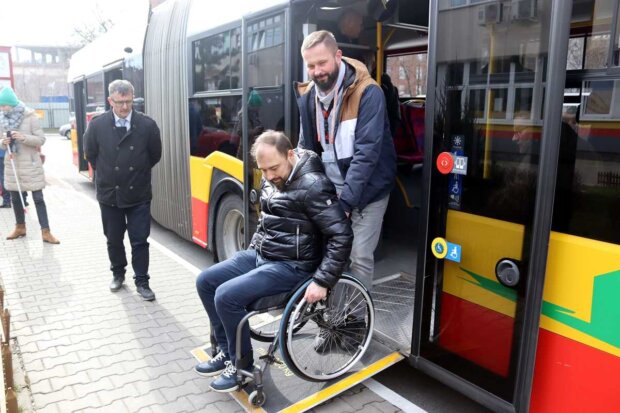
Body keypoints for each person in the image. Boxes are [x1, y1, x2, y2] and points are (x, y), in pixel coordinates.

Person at [194, 130, 353, 392]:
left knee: (226, 296)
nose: (268, 176)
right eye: (263, 170)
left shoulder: (313, 186)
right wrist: (253, 249)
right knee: (206, 281)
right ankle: (225, 351)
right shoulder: (272, 180)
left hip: (292, 266)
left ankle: (241, 366)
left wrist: (323, 280)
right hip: (264, 256)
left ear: (290, 155)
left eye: (274, 168)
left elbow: (341, 235)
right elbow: (266, 222)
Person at [295, 30, 396, 291]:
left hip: (369, 190)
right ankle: (332, 317)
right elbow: (305, 149)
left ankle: (355, 324)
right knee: (329, 252)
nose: (317, 71)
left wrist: (346, 203)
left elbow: (366, 154)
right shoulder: (308, 97)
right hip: (332, 187)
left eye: (322, 63)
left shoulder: (368, 92)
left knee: (359, 255)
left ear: (338, 56)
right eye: (311, 65)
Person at [84, 80, 162, 301]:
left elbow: (154, 155)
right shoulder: (97, 125)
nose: (125, 107)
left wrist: (136, 173)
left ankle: (142, 281)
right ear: (110, 101)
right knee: (113, 238)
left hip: (138, 193)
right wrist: (110, 175)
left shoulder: (147, 125)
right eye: (120, 102)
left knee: (140, 240)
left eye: (128, 101)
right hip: (110, 194)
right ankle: (118, 274)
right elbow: (91, 154)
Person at [0, 86, 59, 243]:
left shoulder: (30, 116)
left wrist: (23, 137)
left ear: (11, 104)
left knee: (38, 198)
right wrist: (3, 142)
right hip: (12, 165)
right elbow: (0, 142)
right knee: (16, 198)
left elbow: (41, 139)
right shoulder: (1, 118)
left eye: (4, 105)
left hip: (31, 165)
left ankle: (46, 232)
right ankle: (20, 227)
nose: (2, 108)